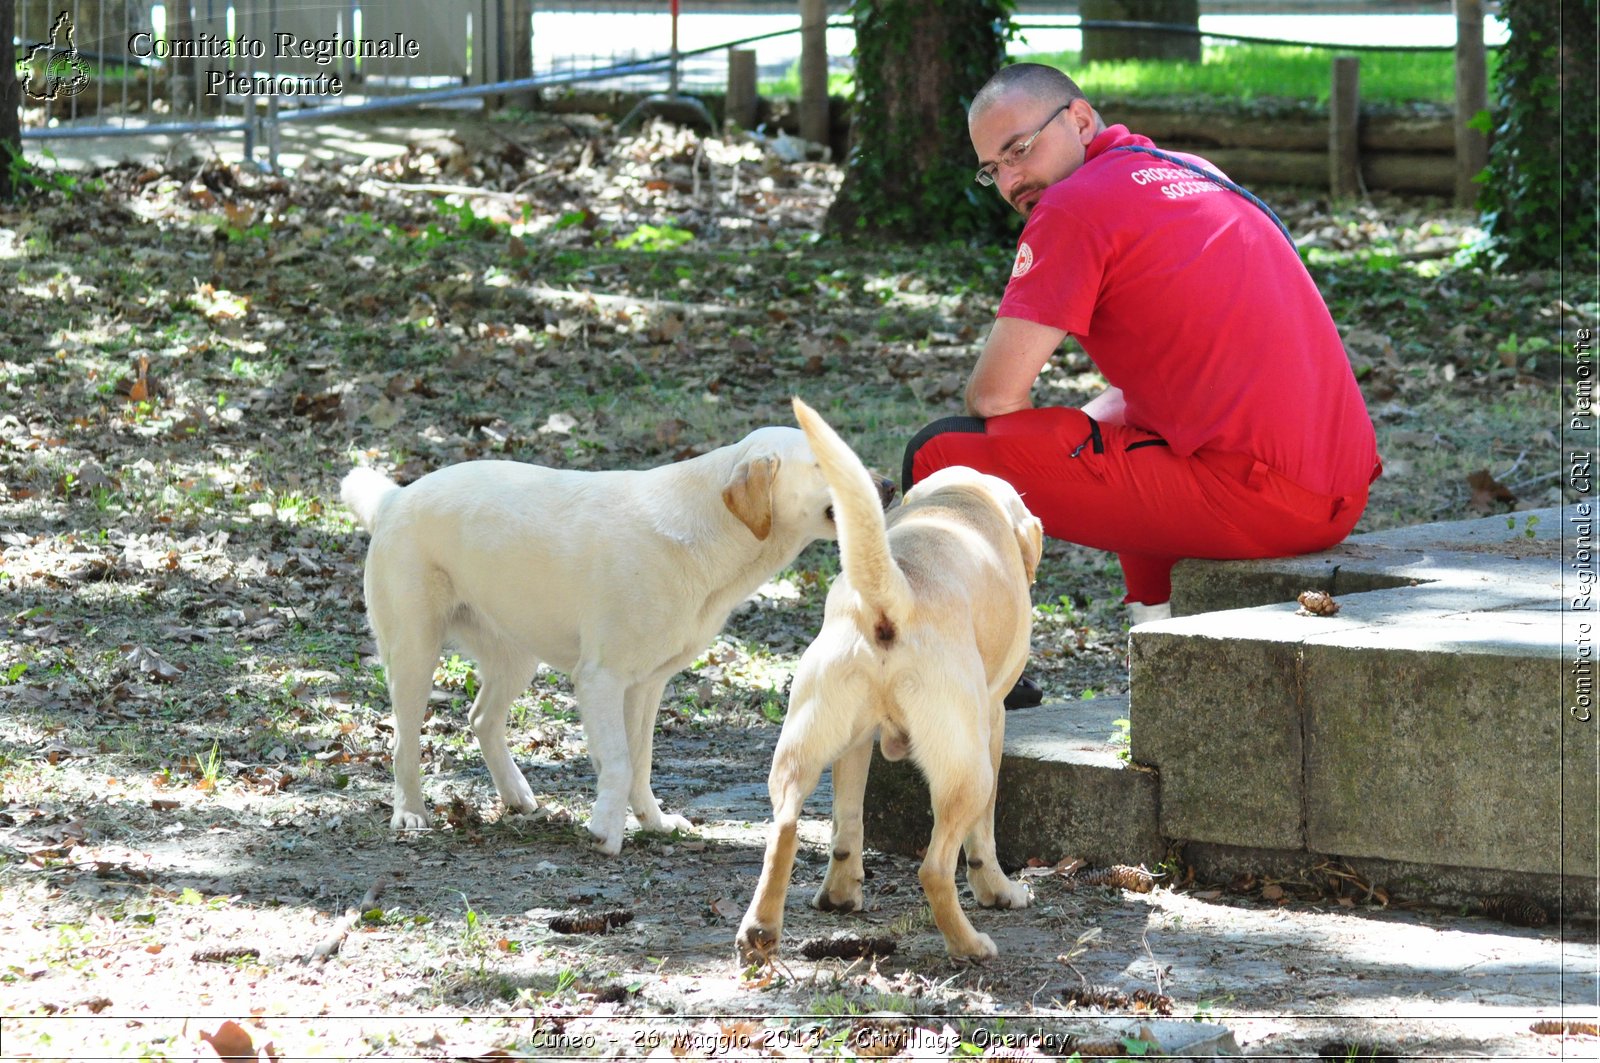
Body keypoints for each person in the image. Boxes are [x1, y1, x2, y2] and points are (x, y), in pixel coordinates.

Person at [902, 63, 1380, 708]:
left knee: (943, 456)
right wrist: (1075, 437)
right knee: (1118, 435)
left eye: (1019, 150)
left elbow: (992, 399)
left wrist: (1051, 448)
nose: (1012, 179)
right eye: (993, 169)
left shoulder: (1073, 204)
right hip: (1338, 493)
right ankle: (1156, 642)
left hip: (1259, 500)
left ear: (1079, 119)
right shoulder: (1193, 171)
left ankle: (983, 678)